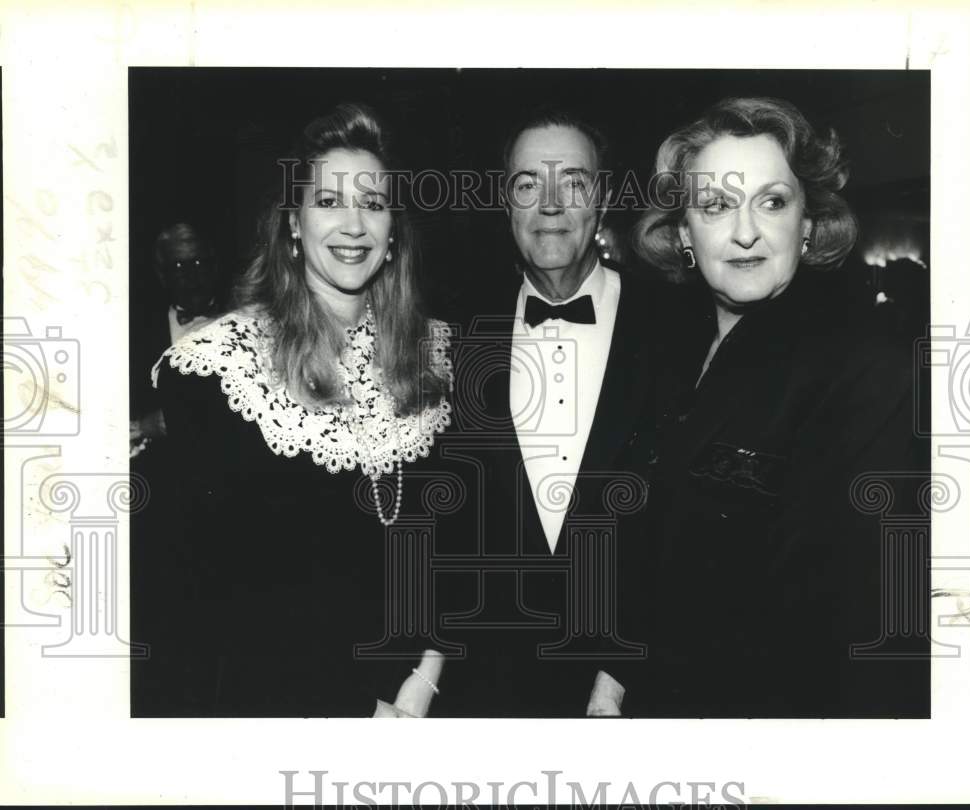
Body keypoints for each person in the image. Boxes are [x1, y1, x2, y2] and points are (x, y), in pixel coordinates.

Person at [132, 104, 452, 717]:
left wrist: (422, 685)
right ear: (294, 225)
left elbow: (454, 554)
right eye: (329, 202)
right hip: (278, 713)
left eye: (374, 203)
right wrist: (360, 708)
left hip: (423, 703)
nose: (354, 225)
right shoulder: (213, 371)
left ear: (395, 232)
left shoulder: (439, 356)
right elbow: (202, 603)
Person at [634, 97, 929, 717]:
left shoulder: (866, 374)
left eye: (772, 202)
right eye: (716, 205)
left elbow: (866, 644)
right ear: (685, 233)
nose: (746, 232)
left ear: (809, 226)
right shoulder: (670, 362)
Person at [437, 110, 666, 717]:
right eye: (527, 184)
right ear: (505, 203)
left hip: (644, 686)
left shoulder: (678, 325)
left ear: (605, 197)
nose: (551, 204)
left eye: (575, 183)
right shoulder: (457, 335)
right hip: (493, 692)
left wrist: (617, 682)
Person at [130, 222, 221, 459]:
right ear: (163, 275)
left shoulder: (244, 322)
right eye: (179, 266)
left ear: (215, 267)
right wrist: (144, 425)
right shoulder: (137, 336)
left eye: (200, 263)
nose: (193, 276)